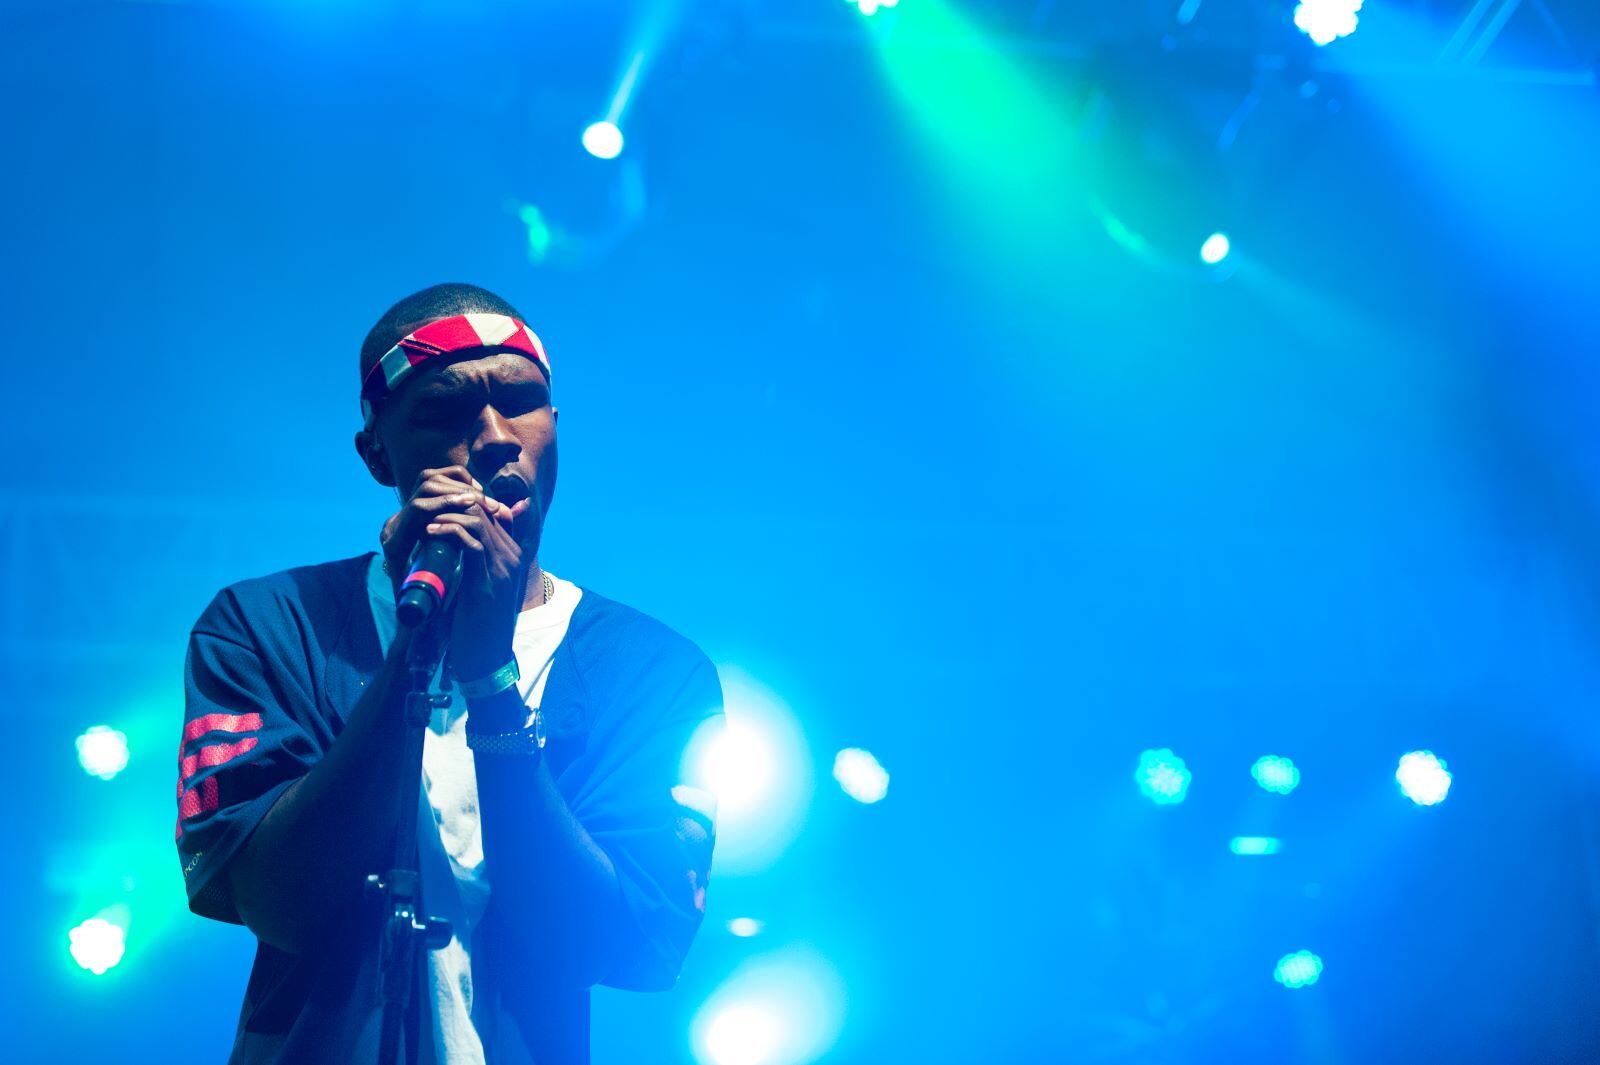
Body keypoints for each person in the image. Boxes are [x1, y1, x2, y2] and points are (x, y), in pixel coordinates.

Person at [175, 282, 724, 1064]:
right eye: (445, 409)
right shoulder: (264, 626)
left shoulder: (653, 672)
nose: (497, 435)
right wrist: (418, 645)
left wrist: (491, 679)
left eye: (522, 401)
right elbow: (278, 901)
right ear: (377, 453)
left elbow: (624, 946)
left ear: (556, 429)